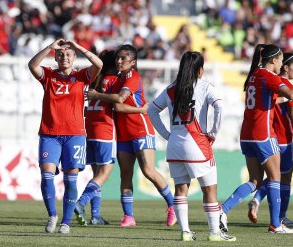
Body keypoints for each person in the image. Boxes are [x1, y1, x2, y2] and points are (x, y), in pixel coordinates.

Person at [219, 44, 293, 234]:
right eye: (281, 59)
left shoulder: (254, 74)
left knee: (255, 181)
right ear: (273, 60)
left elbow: (270, 100)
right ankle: (275, 224)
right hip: (263, 134)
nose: (282, 63)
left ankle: (221, 211)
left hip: (247, 135)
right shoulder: (269, 76)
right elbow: (289, 93)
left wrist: (288, 97)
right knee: (275, 178)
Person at [147, 51, 236, 242]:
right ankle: (214, 233)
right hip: (197, 143)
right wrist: (213, 132)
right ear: (200, 70)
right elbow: (220, 107)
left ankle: (185, 232)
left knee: (181, 189)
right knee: (209, 190)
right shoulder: (204, 87)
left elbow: (152, 110)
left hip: (175, 144)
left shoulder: (171, 88)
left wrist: (166, 135)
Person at [86, 44, 177, 227]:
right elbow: (117, 106)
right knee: (125, 175)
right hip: (123, 133)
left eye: (124, 58)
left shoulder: (132, 76)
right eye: (118, 58)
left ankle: (173, 207)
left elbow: (119, 102)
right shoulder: (116, 78)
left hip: (141, 129)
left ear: (133, 62)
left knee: (148, 171)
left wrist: (97, 95)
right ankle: (129, 217)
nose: (119, 61)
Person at [28, 38, 103, 234]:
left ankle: (66, 222)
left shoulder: (82, 77)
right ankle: (52, 215)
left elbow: (99, 64)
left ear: (74, 58)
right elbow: (32, 65)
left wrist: (78, 46)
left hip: (74, 135)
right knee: (46, 176)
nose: (64, 57)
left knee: (71, 180)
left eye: (68, 54)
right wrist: (49, 47)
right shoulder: (49, 76)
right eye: (60, 54)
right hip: (50, 135)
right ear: (56, 57)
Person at [73, 49, 148, 226]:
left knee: (96, 174)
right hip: (105, 130)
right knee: (104, 173)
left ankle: (96, 216)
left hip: (89, 129)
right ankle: (80, 203)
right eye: (116, 59)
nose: (119, 62)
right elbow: (118, 102)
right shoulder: (113, 81)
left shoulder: (94, 81)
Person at [247, 53, 293, 226]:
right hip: (286, 139)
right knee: (282, 177)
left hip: (269, 136)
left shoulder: (269, 82)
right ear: (286, 67)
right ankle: (277, 215)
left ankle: (273, 212)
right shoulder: (286, 85)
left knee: (275, 176)